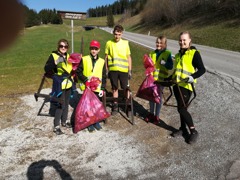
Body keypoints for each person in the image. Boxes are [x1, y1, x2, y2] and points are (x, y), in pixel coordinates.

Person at [170, 31, 206, 144]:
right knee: (181, 109)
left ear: (189, 40)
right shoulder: (178, 55)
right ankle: (183, 129)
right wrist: (167, 79)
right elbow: (177, 71)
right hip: (177, 86)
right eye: (180, 40)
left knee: (181, 109)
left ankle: (193, 131)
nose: (182, 42)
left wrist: (192, 77)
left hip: (186, 86)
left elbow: (202, 69)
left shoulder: (194, 53)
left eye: (184, 40)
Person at [44, 39, 74, 135]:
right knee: (61, 103)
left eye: (65, 46)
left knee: (67, 103)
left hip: (68, 82)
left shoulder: (69, 56)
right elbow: (47, 68)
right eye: (61, 46)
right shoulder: (53, 55)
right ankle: (56, 126)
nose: (63, 48)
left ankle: (64, 121)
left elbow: (72, 68)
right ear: (58, 47)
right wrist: (56, 62)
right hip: (59, 83)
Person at [76, 40, 106, 132]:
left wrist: (103, 88)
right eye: (92, 48)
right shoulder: (84, 59)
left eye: (96, 49)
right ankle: (90, 122)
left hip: (97, 87)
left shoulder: (102, 61)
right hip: (87, 87)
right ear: (90, 49)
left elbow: (104, 75)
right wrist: (86, 80)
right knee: (88, 106)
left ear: (99, 50)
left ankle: (96, 121)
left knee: (96, 105)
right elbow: (78, 72)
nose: (94, 51)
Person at [144, 36, 173, 124]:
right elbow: (149, 66)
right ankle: (151, 113)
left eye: (161, 43)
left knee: (158, 97)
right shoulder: (152, 53)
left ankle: (157, 115)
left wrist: (164, 63)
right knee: (151, 97)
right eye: (157, 43)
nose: (159, 45)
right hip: (152, 79)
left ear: (165, 44)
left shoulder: (168, 53)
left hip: (161, 80)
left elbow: (170, 66)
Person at [105, 24, 132, 115]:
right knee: (114, 88)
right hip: (113, 70)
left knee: (126, 88)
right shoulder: (109, 43)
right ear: (113, 33)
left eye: (119, 34)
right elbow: (106, 57)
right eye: (116, 34)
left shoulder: (125, 43)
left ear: (122, 34)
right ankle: (115, 105)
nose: (117, 36)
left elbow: (129, 57)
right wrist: (106, 69)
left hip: (124, 71)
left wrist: (130, 70)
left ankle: (128, 106)